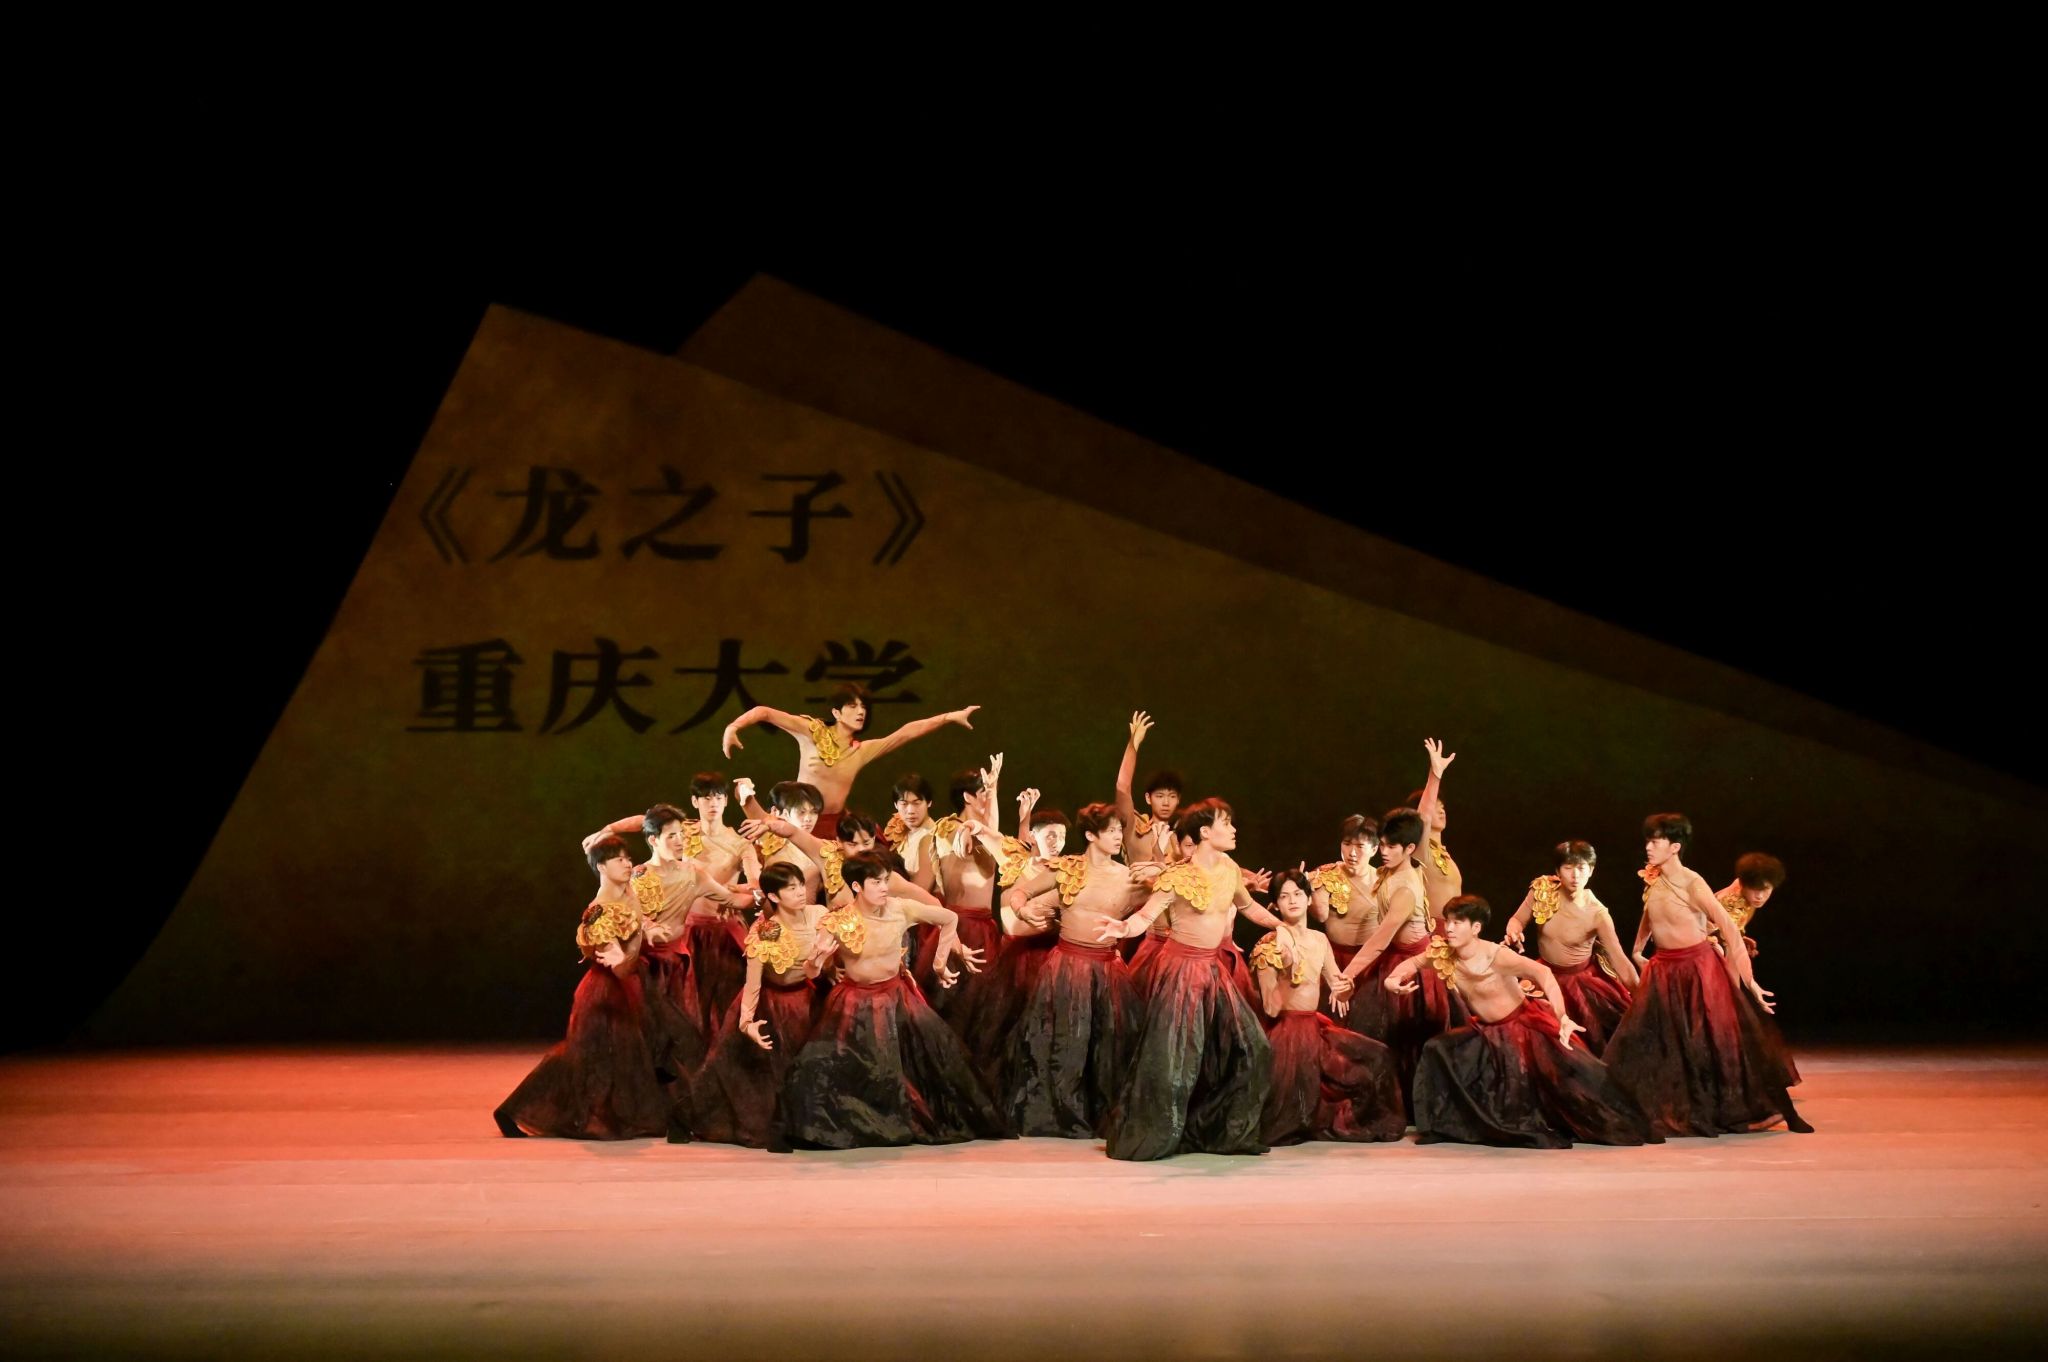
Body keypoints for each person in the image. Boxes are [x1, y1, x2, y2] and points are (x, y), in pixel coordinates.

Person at [775, 852, 1010, 1148]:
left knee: (929, 1060)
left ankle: (904, 1119)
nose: (884, 887)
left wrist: (940, 962)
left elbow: (949, 918)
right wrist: (817, 960)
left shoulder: (900, 909)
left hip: (896, 996)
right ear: (857, 886)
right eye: (876, 882)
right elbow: (812, 971)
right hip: (855, 1001)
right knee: (830, 1067)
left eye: (886, 880)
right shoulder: (836, 921)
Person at [1605, 814, 1811, 1137]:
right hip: (1664, 969)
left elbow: (1728, 929)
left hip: (1698, 968)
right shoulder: (1654, 879)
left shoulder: (1692, 883)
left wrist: (1749, 983)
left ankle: (1785, 1111)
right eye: (1648, 841)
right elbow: (1650, 913)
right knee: (1654, 1041)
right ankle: (1671, 1109)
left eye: (1655, 842)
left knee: (1724, 1040)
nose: (1648, 847)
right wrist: (1636, 950)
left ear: (1674, 847)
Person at [1396, 896, 1659, 1148]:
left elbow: (1543, 973)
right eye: (1448, 921)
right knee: (1437, 1048)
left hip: (1522, 1029)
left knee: (1573, 1083)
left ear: (1475, 928)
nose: (1449, 928)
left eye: (1457, 923)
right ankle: (1441, 1125)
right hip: (1485, 1031)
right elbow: (1413, 963)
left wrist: (1562, 1016)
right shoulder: (1443, 954)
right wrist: (1392, 980)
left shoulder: (1496, 955)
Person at [1096, 799, 1278, 1160]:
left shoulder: (1229, 868)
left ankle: (1224, 1132)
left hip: (1213, 969)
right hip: (1181, 970)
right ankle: (1156, 1134)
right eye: (1227, 823)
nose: (1234, 830)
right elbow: (1146, 916)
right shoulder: (1177, 877)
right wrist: (1123, 927)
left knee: (1254, 1047)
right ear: (1206, 832)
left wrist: (1283, 927)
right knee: (1174, 1058)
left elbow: (1248, 907)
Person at [494, 838, 674, 1139]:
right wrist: (636, 944)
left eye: (628, 858)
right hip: (604, 993)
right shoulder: (599, 913)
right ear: (601, 867)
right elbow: (620, 968)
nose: (628, 863)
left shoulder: (629, 893)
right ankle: (516, 1109)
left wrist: (649, 929)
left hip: (630, 987)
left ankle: (624, 1113)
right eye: (618, 859)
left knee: (626, 1052)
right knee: (582, 1056)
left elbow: (638, 929)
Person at [998, 803, 1158, 1136]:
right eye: (1111, 831)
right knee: (1064, 1041)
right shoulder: (1068, 868)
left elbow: (1168, 898)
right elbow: (1020, 892)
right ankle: (1059, 1112)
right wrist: (1023, 910)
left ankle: (1102, 1113)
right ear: (1090, 835)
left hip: (1108, 969)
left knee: (1109, 1043)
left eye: (1119, 830)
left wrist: (1162, 870)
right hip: (1067, 968)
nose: (1118, 837)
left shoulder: (1129, 877)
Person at [1251, 869, 1404, 1145]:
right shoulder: (1268, 946)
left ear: (1309, 899)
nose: (1293, 900)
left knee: (1376, 1056)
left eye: (1298, 894)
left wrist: (1344, 989)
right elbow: (1270, 1009)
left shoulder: (1319, 939)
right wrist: (1285, 967)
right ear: (1275, 905)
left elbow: (1339, 985)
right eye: (1284, 896)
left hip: (1314, 1027)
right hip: (1286, 1032)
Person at [686, 862, 828, 1148]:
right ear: (773, 896)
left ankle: (808, 1127)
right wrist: (746, 1022)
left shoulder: (819, 915)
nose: (800, 892)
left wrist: (831, 966)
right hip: (773, 1004)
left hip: (809, 998)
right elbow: (753, 984)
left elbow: (823, 962)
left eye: (801, 885)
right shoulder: (765, 932)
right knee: (758, 1069)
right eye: (791, 888)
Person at [719, 683, 980, 838]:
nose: (860, 712)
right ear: (836, 712)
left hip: (835, 827)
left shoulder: (861, 750)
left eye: (863, 707)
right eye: (853, 706)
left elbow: (905, 733)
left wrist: (948, 717)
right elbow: (764, 712)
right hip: (800, 824)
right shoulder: (811, 731)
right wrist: (733, 727)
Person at [1336, 808, 1456, 1113]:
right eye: (1383, 845)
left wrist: (1347, 975)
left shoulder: (1405, 887)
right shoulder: (1390, 872)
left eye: (1392, 847)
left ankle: (1415, 1109)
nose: (1384, 852)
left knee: (1410, 1039)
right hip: (1393, 957)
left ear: (1410, 849)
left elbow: (1380, 939)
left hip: (1416, 966)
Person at [1500, 841, 1638, 1055]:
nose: (1575, 876)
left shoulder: (1598, 914)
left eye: (1581, 868)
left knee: (1584, 1046)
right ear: (1557, 871)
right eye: (1568, 868)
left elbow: (1619, 960)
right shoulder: (1542, 891)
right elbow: (1517, 919)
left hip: (1582, 984)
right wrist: (1513, 931)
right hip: (1543, 976)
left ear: (1591, 871)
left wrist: (1641, 997)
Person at [1309, 814, 1381, 1036]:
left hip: (1371, 963)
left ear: (1374, 849)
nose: (1352, 852)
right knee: (1333, 1026)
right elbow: (1321, 916)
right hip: (1334, 960)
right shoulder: (1326, 875)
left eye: (1360, 846)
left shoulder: (1384, 879)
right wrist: (1309, 889)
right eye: (1347, 844)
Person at [1407, 737, 1464, 919]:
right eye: (1435, 806)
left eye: (1443, 807)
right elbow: (1423, 817)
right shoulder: (1420, 850)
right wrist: (1435, 775)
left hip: (1455, 932)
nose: (1441, 810)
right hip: (1431, 933)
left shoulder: (1445, 854)